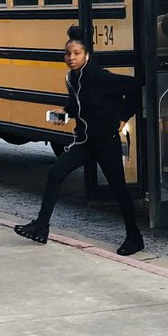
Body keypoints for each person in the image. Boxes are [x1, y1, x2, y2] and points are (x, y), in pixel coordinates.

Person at [15, 26, 144, 256]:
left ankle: (134, 237)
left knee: (119, 189)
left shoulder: (98, 76)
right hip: (84, 142)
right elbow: (78, 106)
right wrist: (65, 113)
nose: (71, 58)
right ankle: (41, 226)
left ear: (87, 55)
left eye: (76, 53)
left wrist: (124, 117)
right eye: (68, 54)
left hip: (106, 141)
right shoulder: (71, 78)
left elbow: (135, 87)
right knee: (56, 172)